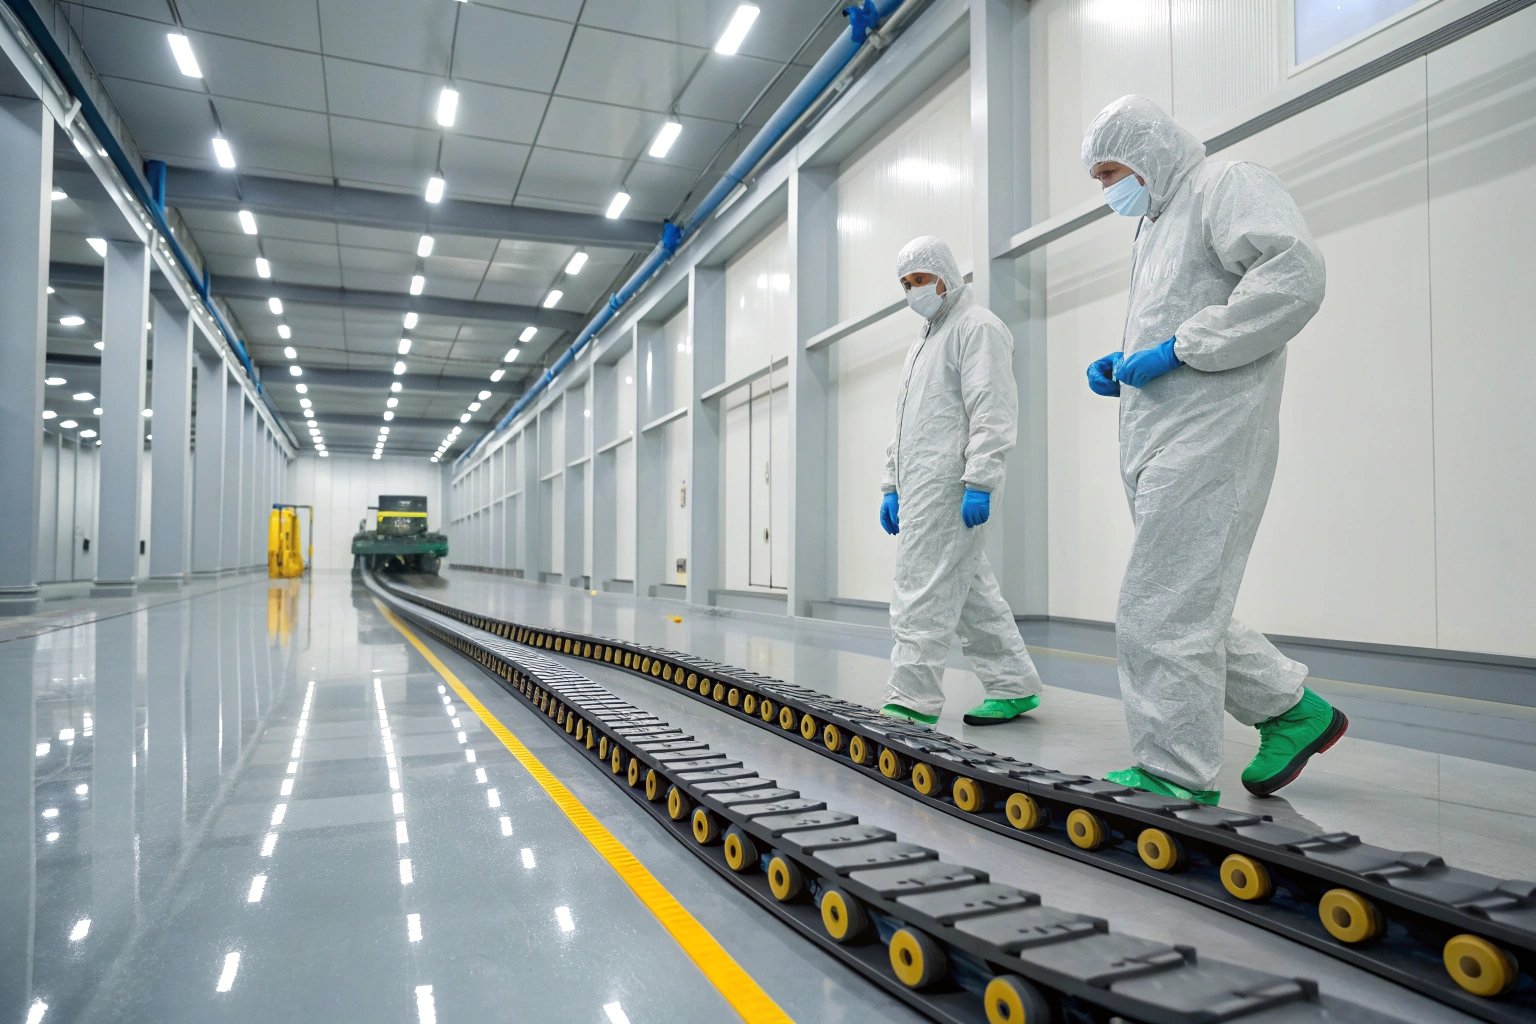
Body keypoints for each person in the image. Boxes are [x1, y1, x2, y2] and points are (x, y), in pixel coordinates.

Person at [1082, 95, 1346, 804]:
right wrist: (1132, 358)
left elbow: (1294, 276)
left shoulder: (1226, 184)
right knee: (1181, 598)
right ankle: (1291, 710)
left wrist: (1181, 347)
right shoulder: (1156, 223)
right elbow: (1184, 310)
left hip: (1214, 428)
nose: (1109, 189)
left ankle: (1175, 772)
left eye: (1113, 171)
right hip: (1164, 433)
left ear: (1149, 150)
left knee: (1161, 603)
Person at [878, 235, 1043, 729]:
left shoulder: (978, 328)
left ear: (946, 275)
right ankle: (1014, 683)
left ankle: (911, 700)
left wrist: (981, 479)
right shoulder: (924, 341)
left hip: (951, 481)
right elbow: (906, 421)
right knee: (969, 588)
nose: (913, 291)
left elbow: (992, 408)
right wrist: (891, 482)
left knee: (920, 586)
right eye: (905, 284)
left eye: (920, 279)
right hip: (920, 483)